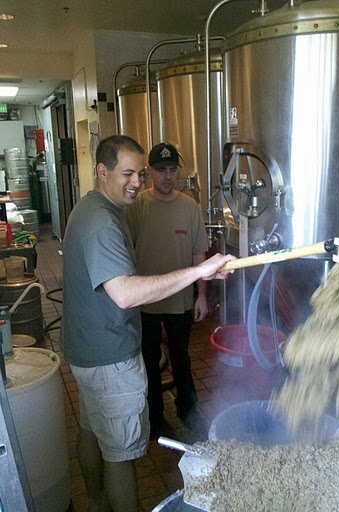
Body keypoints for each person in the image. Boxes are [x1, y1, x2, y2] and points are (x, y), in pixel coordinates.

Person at [60, 135, 234, 512]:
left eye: (139, 173)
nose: (137, 181)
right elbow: (124, 293)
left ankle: (96, 503)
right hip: (108, 356)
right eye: (128, 173)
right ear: (101, 172)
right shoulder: (103, 222)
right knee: (120, 455)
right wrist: (198, 272)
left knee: (92, 431)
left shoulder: (93, 209)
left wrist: (196, 284)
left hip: (86, 350)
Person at [125, 142, 213, 438]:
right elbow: (125, 252)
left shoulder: (189, 206)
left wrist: (201, 294)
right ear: (148, 172)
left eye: (172, 170)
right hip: (146, 303)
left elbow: (198, 255)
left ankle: (188, 410)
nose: (167, 176)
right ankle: (155, 417)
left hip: (180, 302)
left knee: (181, 358)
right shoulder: (136, 206)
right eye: (161, 170)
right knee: (148, 361)